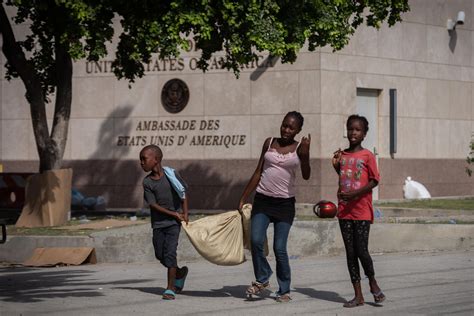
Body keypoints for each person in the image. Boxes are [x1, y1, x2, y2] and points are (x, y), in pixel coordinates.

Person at [239, 111, 311, 303]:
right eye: (284, 125)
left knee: (280, 248)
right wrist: (244, 196)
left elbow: (306, 175)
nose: (286, 129)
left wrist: (305, 156)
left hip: (285, 204)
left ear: (298, 130)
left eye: (291, 127)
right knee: (255, 241)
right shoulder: (269, 142)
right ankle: (263, 278)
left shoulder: (299, 148)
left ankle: (284, 289)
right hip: (262, 200)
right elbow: (258, 171)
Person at [332, 114, 386, 308]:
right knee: (350, 253)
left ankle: (372, 281)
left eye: (357, 130)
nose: (353, 132)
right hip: (344, 211)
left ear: (364, 134)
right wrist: (336, 166)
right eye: (350, 129)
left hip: (361, 210)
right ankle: (358, 295)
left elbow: (374, 180)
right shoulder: (342, 155)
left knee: (362, 250)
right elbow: (345, 176)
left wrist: (355, 194)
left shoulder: (367, 156)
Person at [139, 145, 189, 300]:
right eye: (140, 159)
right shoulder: (147, 183)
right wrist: (174, 213)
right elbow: (153, 205)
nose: (141, 163)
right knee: (160, 255)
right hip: (159, 224)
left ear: (156, 159)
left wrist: (185, 213)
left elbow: (183, 193)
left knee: (170, 253)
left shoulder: (171, 175)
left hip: (174, 224)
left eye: (144, 159)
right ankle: (180, 273)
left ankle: (170, 288)